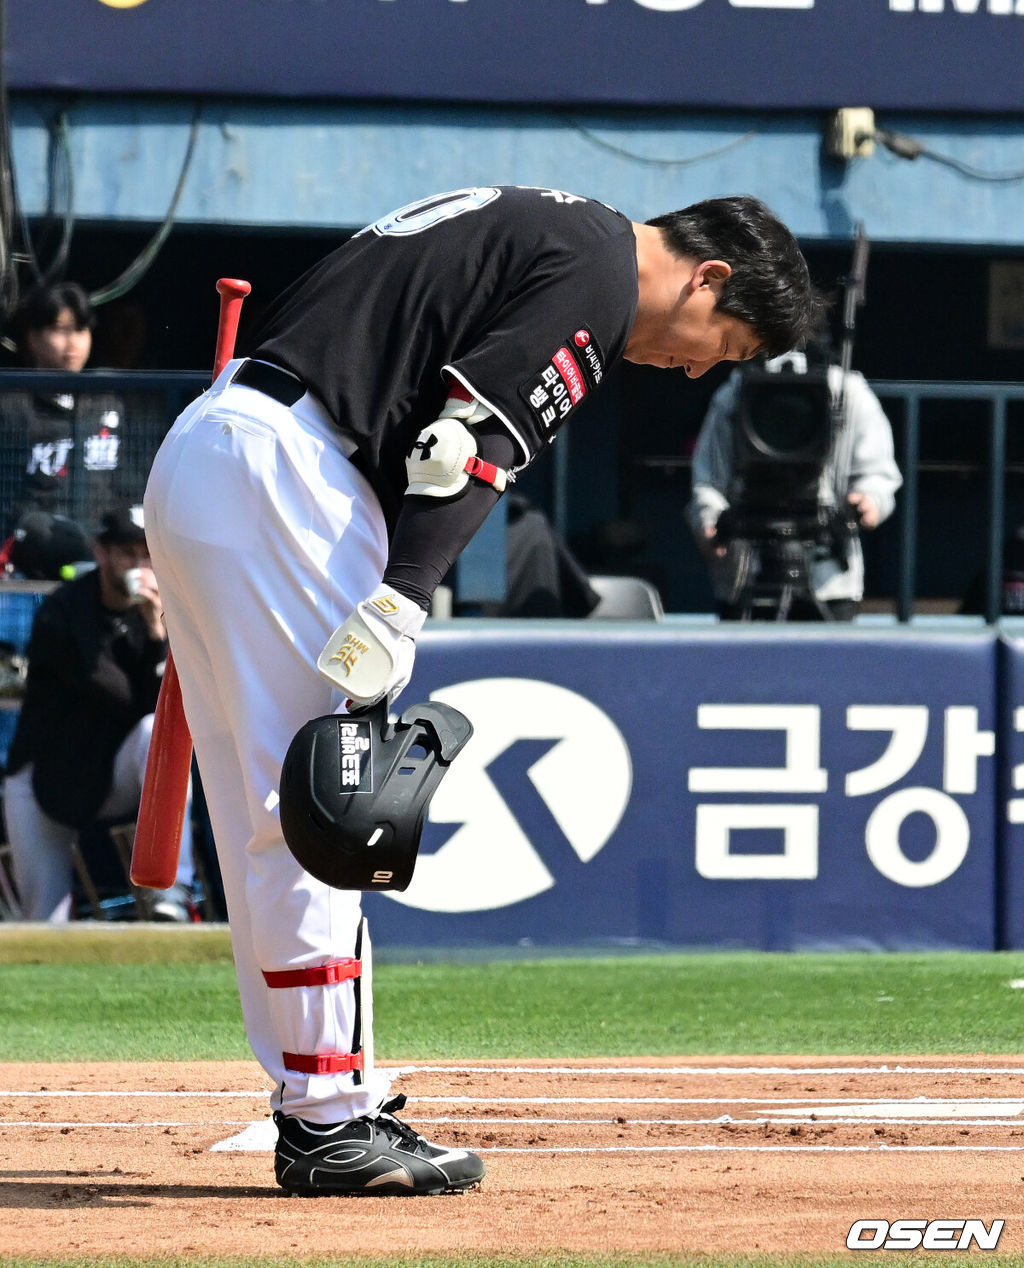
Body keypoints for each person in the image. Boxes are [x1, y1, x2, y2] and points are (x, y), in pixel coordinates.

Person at [142, 185, 819, 1196]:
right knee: (330, 809)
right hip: (293, 474)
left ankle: (324, 1098)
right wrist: (404, 599)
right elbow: (464, 447)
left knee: (272, 811)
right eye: (717, 342)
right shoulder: (598, 264)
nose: (690, 365)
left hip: (222, 451)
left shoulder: (549, 222)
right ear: (706, 275)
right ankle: (330, 1117)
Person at [3, 505, 195, 922]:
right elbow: (121, 694)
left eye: (148, 555)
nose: (140, 566)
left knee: (155, 733)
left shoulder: (163, 612)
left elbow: (163, 709)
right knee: (44, 923)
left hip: (111, 772)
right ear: (102, 552)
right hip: (46, 779)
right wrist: (156, 635)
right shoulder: (65, 611)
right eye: (128, 553)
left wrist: (159, 633)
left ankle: (172, 889)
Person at [687, 343, 902, 620]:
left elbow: (877, 474)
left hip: (829, 582)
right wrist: (710, 520)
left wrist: (869, 500)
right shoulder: (736, 392)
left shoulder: (849, 393)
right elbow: (708, 480)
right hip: (744, 575)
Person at [0, 283, 137, 560]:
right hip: (27, 556)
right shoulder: (11, 404)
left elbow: (127, 484)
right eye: (60, 330)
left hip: (99, 555)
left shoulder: (107, 401)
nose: (72, 341)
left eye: (80, 330)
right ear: (33, 338)